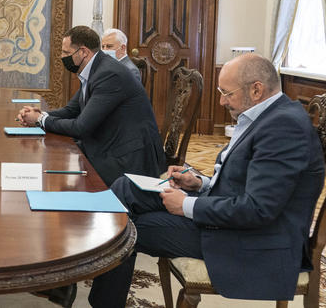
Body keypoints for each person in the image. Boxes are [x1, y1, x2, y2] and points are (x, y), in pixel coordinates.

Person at [88, 53, 325, 307]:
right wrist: (200, 183)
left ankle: (99, 297)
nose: (221, 101)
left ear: (256, 90)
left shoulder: (284, 128)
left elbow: (258, 209)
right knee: (125, 187)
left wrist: (185, 205)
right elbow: (244, 181)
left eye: (227, 93)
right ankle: (87, 276)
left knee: (125, 230)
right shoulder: (267, 114)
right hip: (227, 214)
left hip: (250, 239)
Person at [17, 25, 164, 186]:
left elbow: (81, 127)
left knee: (62, 176)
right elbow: (71, 110)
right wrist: (40, 114)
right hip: (109, 145)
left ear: (83, 52)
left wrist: (40, 120)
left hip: (127, 158)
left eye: (66, 52)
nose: (62, 57)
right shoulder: (95, 69)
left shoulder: (108, 74)